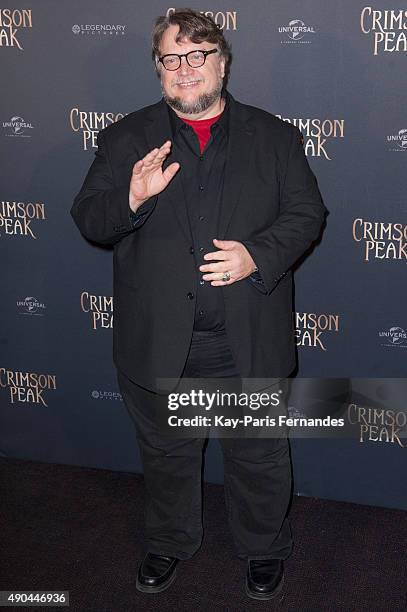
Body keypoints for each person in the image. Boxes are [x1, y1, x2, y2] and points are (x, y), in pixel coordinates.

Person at [71, 8, 327, 601]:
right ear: (158, 68)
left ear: (222, 62)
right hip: (159, 341)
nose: (185, 69)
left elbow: (307, 213)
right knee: (165, 457)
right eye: (171, 58)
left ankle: (264, 549)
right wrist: (130, 196)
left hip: (246, 339)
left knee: (259, 458)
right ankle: (168, 542)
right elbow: (89, 217)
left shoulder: (276, 136)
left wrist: (256, 256)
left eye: (197, 55)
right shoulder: (124, 139)